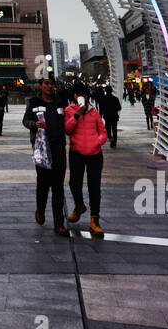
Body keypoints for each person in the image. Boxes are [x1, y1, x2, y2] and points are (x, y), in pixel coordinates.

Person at [23, 77, 69, 235]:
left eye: (52, 84)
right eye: (46, 84)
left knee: (58, 187)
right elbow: (26, 120)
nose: (50, 87)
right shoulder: (34, 102)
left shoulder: (61, 103)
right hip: (42, 150)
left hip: (59, 149)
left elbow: (68, 123)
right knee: (43, 185)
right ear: (41, 86)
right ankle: (40, 210)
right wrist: (34, 125)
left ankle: (59, 223)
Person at [65, 87, 108, 236]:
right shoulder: (69, 110)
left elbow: (103, 132)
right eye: (79, 94)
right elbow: (67, 129)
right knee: (74, 183)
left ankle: (94, 220)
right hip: (76, 152)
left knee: (94, 186)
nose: (81, 97)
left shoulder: (94, 112)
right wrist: (76, 115)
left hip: (95, 154)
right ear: (74, 96)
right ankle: (79, 206)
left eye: (84, 94)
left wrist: (97, 142)